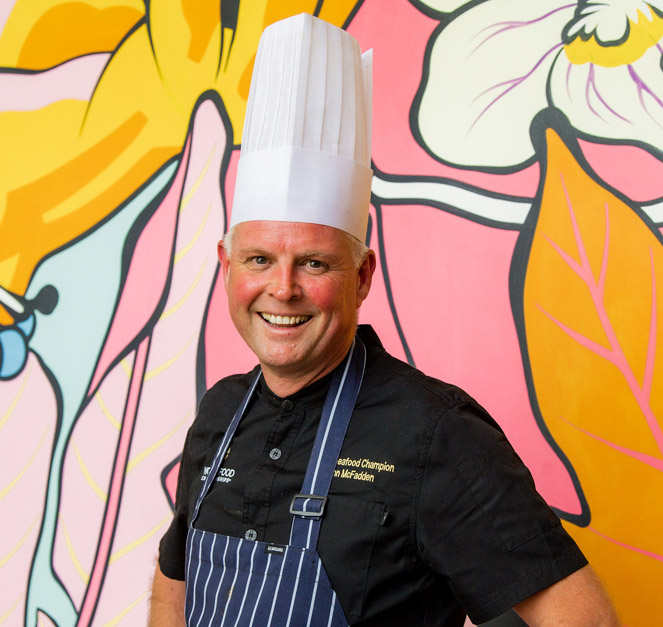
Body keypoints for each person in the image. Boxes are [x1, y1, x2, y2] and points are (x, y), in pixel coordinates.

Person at [150, 13, 619, 627]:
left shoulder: (436, 434)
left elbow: (584, 619)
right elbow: (175, 581)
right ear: (226, 266)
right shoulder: (219, 413)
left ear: (363, 275)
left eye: (314, 262)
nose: (282, 289)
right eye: (259, 259)